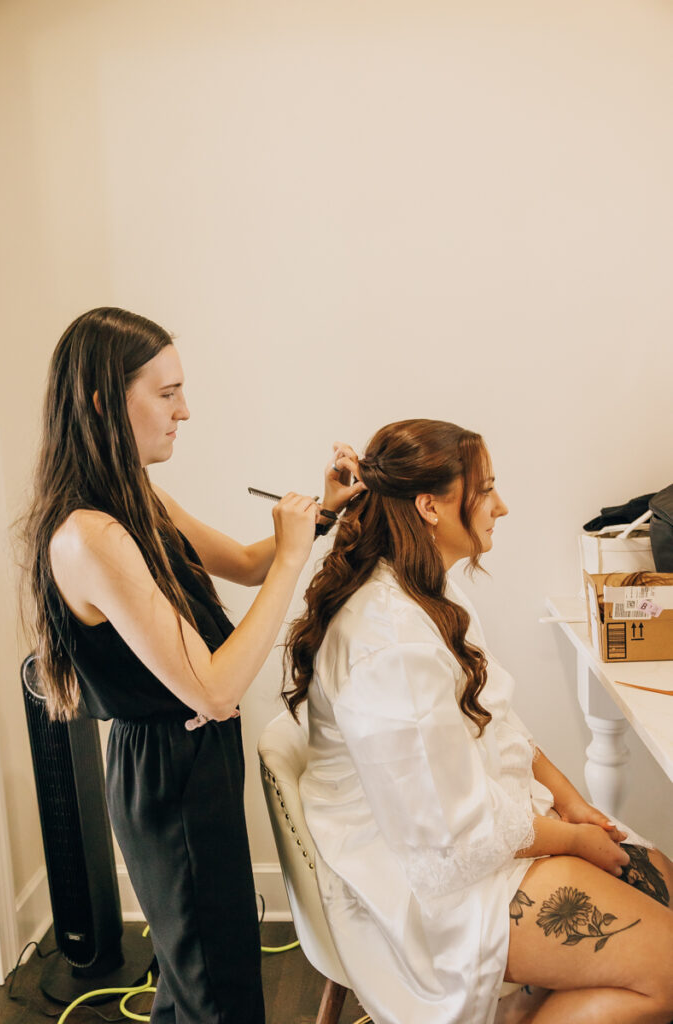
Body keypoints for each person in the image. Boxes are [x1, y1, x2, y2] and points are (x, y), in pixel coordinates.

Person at [20, 306, 363, 1024]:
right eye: (167, 393)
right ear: (102, 401)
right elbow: (212, 684)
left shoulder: (135, 500)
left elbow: (240, 564)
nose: (186, 411)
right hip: (167, 775)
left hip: (193, 761)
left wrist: (319, 517)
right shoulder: (89, 536)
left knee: (199, 979)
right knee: (217, 993)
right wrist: (296, 557)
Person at [283, 418, 673, 1024]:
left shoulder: (431, 592)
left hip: (473, 828)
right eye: (486, 490)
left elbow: (498, 717)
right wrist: (571, 841)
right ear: (430, 506)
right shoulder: (389, 646)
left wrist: (569, 800)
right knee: (668, 972)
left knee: (664, 892)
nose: (503, 506)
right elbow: (449, 835)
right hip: (429, 882)